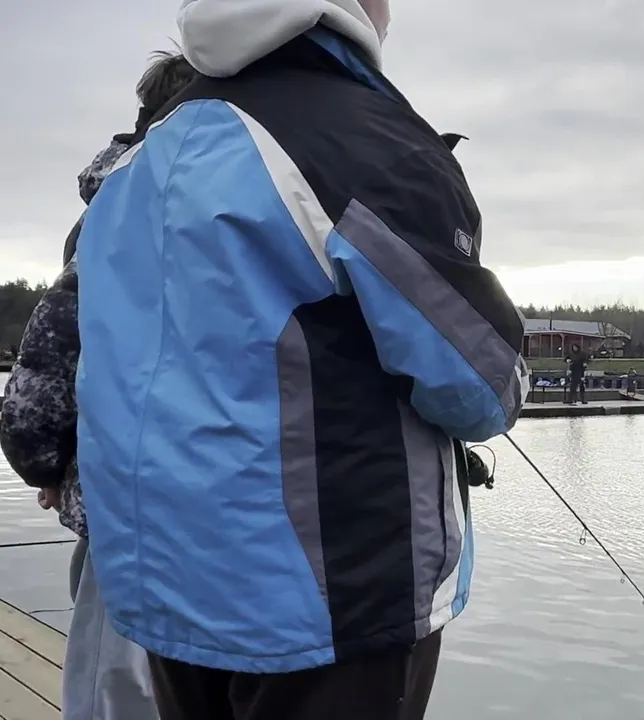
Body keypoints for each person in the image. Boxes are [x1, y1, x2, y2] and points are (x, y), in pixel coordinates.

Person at [73, 1, 530, 718]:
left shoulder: (138, 160)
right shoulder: (368, 143)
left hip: (167, 593)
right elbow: (480, 386)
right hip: (332, 608)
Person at [0, 49, 198, 720]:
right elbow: (56, 345)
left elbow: (48, 355)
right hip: (139, 501)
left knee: (119, 676)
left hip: (129, 497)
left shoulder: (115, 201)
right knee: (122, 681)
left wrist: (45, 461)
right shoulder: (135, 207)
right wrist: (44, 461)